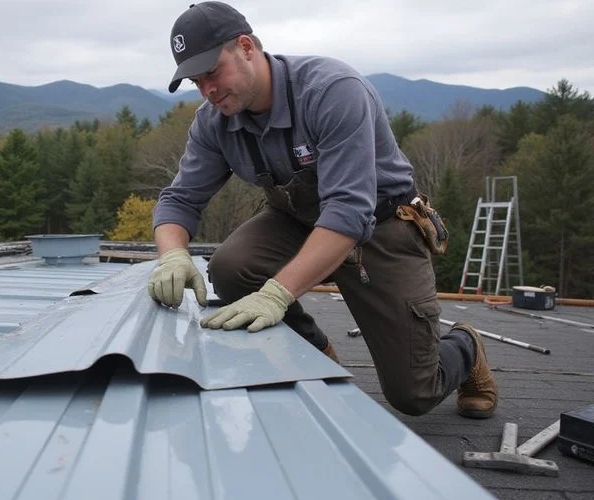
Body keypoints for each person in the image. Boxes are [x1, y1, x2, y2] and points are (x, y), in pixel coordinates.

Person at [147, 1, 498, 418]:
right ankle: (313, 354)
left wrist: (277, 294)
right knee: (230, 267)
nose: (206, 89)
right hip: (298, 222)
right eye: (195, 80)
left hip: (380, 226)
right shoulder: (214, 122)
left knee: (414, 394)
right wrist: (171, 253)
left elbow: (349, 210)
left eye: (211, 72)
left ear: (245, 47)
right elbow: (179, 200)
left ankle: (465, 347)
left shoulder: (331, 91)